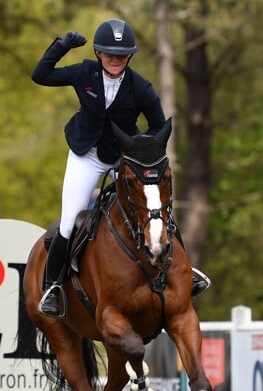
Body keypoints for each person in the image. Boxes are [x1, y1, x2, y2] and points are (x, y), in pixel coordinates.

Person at [31, 18, 211, 317]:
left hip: (123, 157)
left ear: (130, 56)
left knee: (156, 208)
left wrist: (142, 150)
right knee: (67, 221)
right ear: (99, 53)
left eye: (122, 54)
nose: (116, 59)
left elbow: (158, 125)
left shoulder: (140, 87)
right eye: (110, 53)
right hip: (85, 155)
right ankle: (53, 287)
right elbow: (41, 76)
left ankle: (186, 272)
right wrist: (62, 47)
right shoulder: (84, 72)